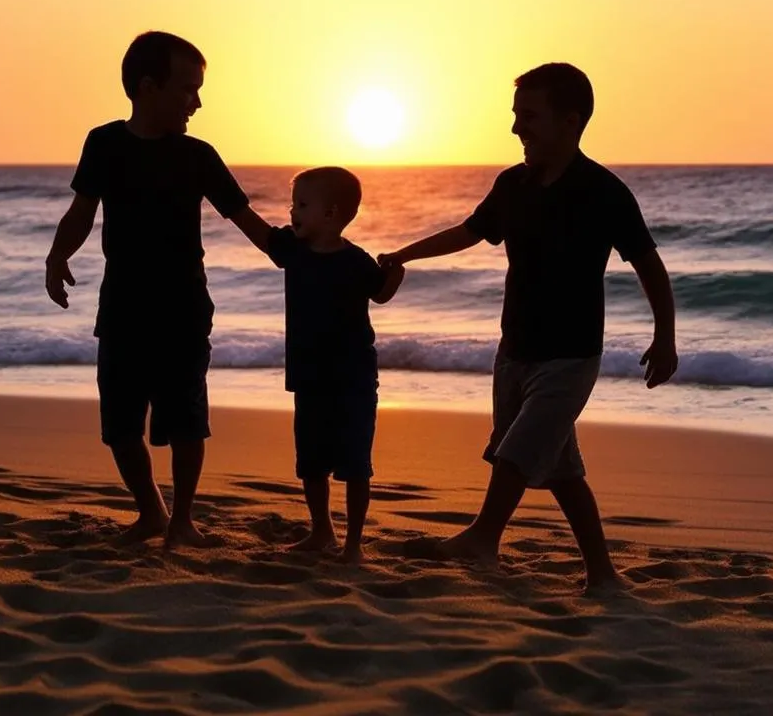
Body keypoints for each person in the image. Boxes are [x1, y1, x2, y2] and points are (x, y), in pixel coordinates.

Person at [379, 63, 677, 593]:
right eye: (516, 116)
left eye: (528, 117)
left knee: (516, 450)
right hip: (514, 348)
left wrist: (665, 337)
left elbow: (648, 264)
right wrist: (405, 253)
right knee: (560, 469)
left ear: (571, 120)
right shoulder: (512, 184)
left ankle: (482, 537)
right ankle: (604, 575)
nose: (517, 128)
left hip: (571, 355)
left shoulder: (603, 192)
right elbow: (469, 233)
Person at [45, 30, 254, 549]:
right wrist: (56, 257)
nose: (197, 102)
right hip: (122, 306)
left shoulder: (198, 155)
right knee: (119, 423)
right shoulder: (105, 143)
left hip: (184, 306)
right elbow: (81, 212)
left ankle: (183, 519)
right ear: (146, 87)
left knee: (186, 420)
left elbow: (247, 220)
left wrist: (302, 255)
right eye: (187, 88)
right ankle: (152, 512)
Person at [233, 167, 404, 564]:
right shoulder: (293, 249)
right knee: (310, 459)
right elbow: (257, 231)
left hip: (353, 378)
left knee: (356, 462)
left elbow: (380, 294)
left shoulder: (356, 261)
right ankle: (322, 529)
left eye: (302, 205)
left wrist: (396, 273)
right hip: (309, 376)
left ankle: (354, 543)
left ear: (331, 213)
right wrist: (226, 200)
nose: (292, 211)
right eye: (293, 204)